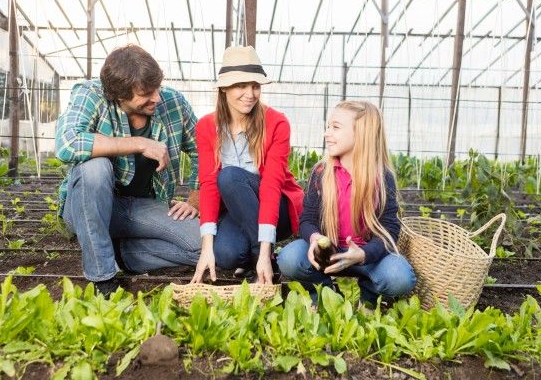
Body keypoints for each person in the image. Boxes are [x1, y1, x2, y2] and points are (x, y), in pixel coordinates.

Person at [55, 44, 201, 296]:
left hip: (140, 207)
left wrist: (195, 199)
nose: (156, 97)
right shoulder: (91, 95)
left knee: (204, 244)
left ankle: (122, 252)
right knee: (94, 168)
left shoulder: (173, 103)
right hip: (88, 206)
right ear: (118, 95)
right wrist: (139, 143)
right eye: (146, 93)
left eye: (157, 87)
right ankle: (103, 278)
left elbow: (203, 148)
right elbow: (67, 143)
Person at [277, 101, 416, 304]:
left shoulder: (382, 177)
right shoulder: (321, 172)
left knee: (400, 277)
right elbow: (307, 218)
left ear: (360, 133)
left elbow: (390, 228)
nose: (327, 133)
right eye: (328, 127)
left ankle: (368, 298)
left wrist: (363, 254)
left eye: (335, 127)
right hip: (329, 255)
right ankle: (325, 295)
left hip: (366, 256)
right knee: (288, 258)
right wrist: (315, 239)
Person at [190, 46, 304, 285]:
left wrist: (263, 252)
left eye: (255, 86)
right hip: (239, 211)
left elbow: (272, 185)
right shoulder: (206, 127)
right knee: (226, 255)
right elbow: (208, 184)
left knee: (230, 177)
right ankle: (255, 259)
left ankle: (264, 257)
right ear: (224, 88)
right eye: (241, 85)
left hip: (277, 209)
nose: (250, 93)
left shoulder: (276, 122)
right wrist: (206, 249)